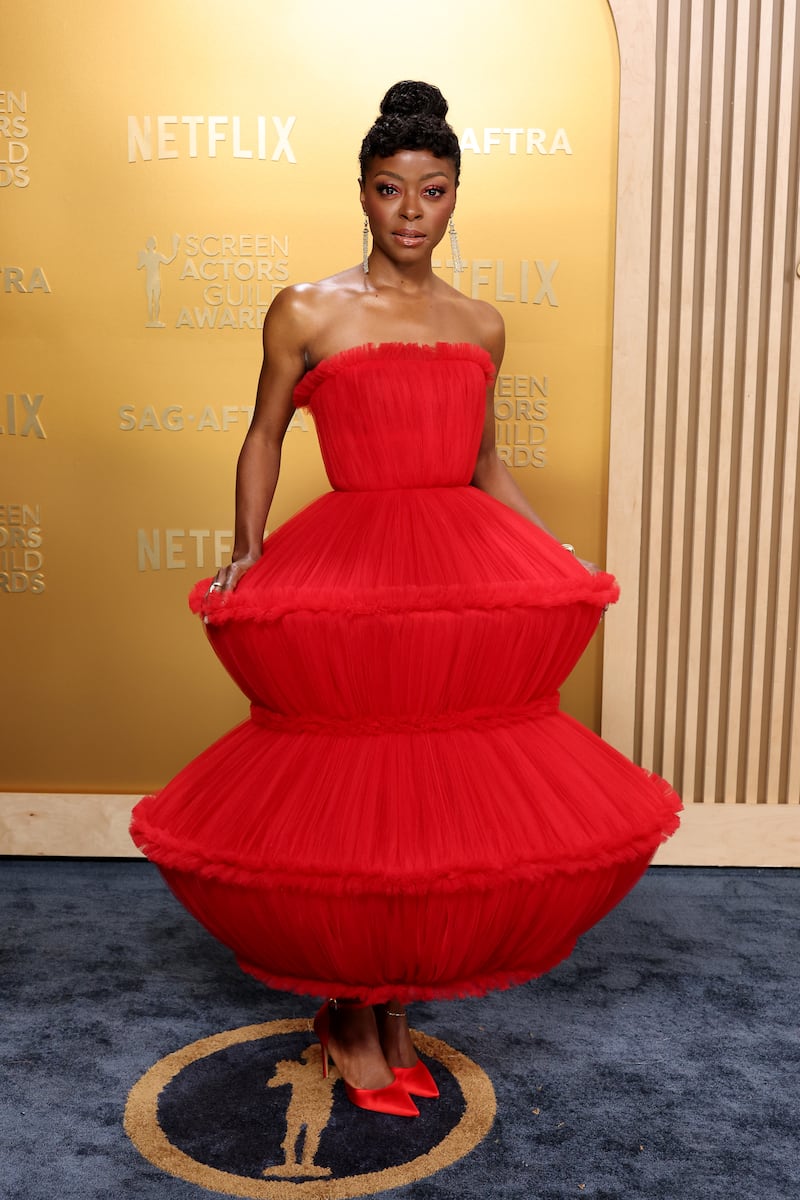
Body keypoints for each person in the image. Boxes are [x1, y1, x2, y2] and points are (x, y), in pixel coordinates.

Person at [131, 81, 680, 1120]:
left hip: (449, 566)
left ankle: (383, 1009)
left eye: (432, 191)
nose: (412, 211)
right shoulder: (305, 308)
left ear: (455, 195)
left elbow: (483, 463)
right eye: (392, 191)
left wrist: (542, 547)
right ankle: (347, 1017)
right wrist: (247, 550)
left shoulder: (480, 321)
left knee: (428, 793)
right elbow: (263, 434)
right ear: (364, 194)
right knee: (351, 786)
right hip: (349, 569)